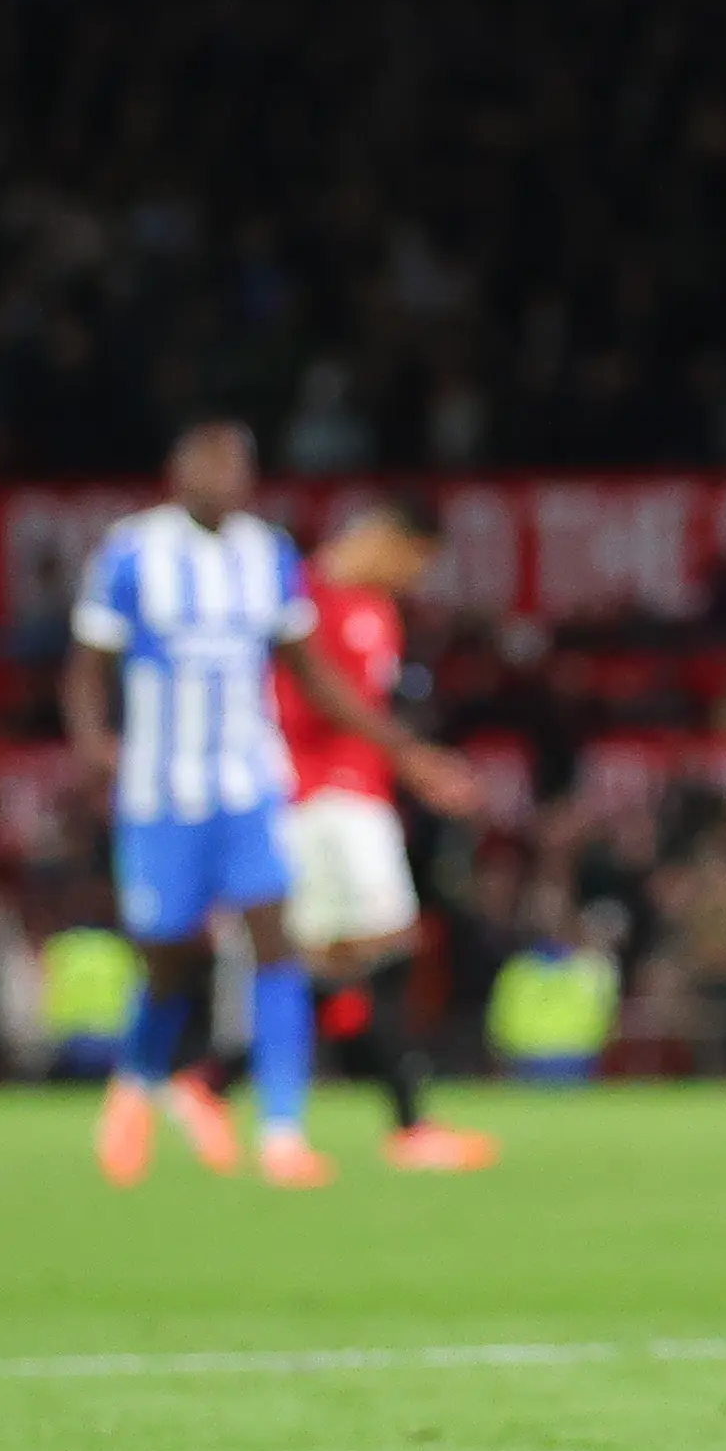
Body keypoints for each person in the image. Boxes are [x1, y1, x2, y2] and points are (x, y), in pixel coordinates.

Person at [69, 422, 478, 1189]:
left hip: (251, 784)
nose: (221, 478)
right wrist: (94, 748)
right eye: (207, 463)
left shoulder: (268, 557)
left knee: (282, 948)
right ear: (176, 470)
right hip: (162, 789)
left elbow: (314, 674)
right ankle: (143, 1083)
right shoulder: (131, 553)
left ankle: (282, 1133)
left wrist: (409, 757)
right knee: (172, 959)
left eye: (235, 466)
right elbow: (88, 664)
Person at [273, 492, 497, 1171]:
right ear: (383, 539)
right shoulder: (301, 595)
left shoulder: (380, 612)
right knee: (383, 946)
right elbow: (321, 701)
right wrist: (419, 763)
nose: (413, 581)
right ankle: (405, 1123)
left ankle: (214, 1080)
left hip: (359, 797)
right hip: (317, 797)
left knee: (337, 959)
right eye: (414, 564)